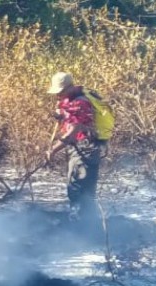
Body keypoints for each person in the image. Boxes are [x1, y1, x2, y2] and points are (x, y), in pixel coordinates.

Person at [45, 72, 107, 223]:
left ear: (70, 87)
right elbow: (72, 117)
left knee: (77, 188)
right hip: (86, 148)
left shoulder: (80, 103)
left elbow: (73, 133)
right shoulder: (73, 99)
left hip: (84, 149)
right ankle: (89, 224)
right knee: (85, 190)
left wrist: (53, 150)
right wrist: (62, 114)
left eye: (60, 92)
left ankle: (80, 226)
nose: (58, 95)